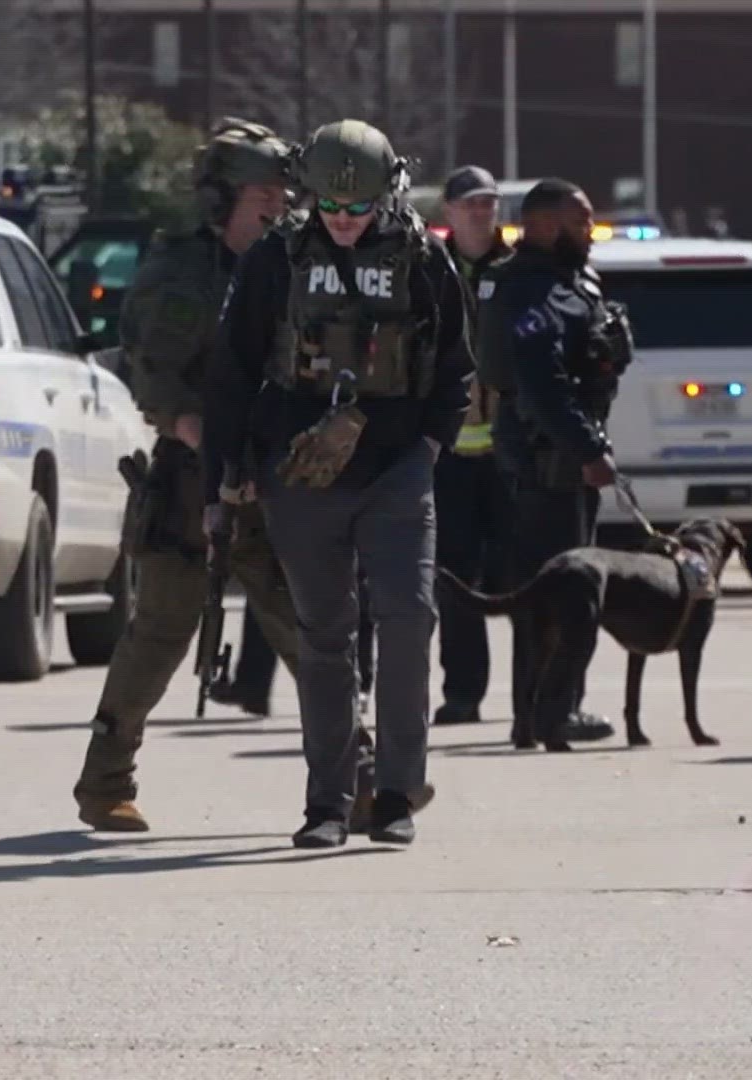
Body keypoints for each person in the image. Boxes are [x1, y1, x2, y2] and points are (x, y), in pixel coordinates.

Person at [206, 118, 472, 848]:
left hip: (396, 467)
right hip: (300, 473)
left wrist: (424, 448)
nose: (346, 221)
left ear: (388, 193)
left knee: (409, 617)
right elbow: (231, 372)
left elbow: (455, 369)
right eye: (331, 206)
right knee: (325, 636)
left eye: (358, 208)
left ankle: (394, 795)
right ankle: (327, 804)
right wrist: (224, 477)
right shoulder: (273, 262)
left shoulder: (424, 260)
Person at [72, 118, 304, 832]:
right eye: (262, 192)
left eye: (281, 194)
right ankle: (105, 781)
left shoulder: (290, 263)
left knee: (308, 629)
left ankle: (357, 774)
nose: (277, 205)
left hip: (275, 477)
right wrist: (196, 434)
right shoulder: (182, 275)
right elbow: (153, 374)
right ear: (220, 200)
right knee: (161, 633)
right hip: (193, 481)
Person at [478, 179, 625, 751]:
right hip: (548, 460)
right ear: (541, 225)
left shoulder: (572, 283)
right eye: (579, 221)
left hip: (564, 454)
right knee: (561, 594)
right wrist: (587, 449)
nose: (590, 232)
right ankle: (549, 713)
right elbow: (541, 387)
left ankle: (546, 711)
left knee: (558, 591)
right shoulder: (526, 293)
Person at [430, 165, 516, 727]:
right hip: (450, 456)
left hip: (511, 456)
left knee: (521, 576)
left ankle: (539, 696)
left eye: (487, 203)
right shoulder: (429, 269)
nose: (481, 212)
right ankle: (462, 693)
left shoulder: (518, 270)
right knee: (454, 579)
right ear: (450, 212)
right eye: (470, 204)